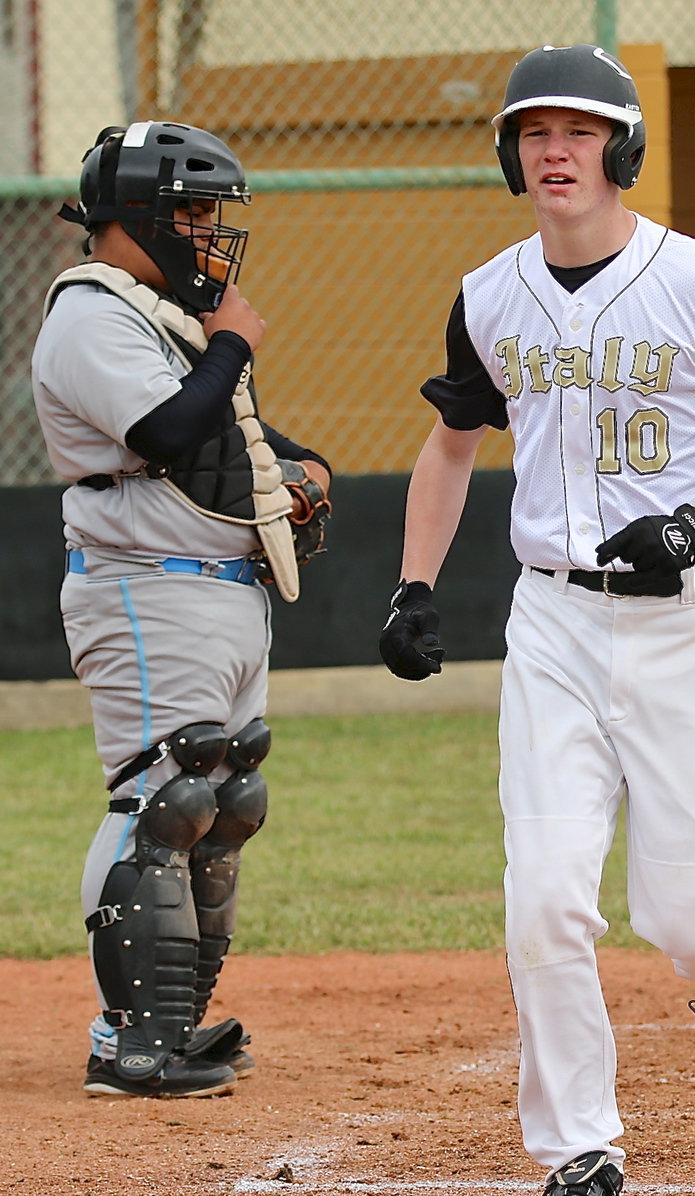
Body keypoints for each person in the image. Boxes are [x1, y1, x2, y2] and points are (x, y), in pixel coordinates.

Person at [378, 44, 695, 1196]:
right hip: (556, 626)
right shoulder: (488, 292)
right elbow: (451, 441)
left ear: (621, 148)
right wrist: (413, 585)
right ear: (509, 155)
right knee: (544, 897)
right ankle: (580, 1146)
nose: (555, 152)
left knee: (693, 911)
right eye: (534, 134)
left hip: (688, 627)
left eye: (578, 132)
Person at [31, 122, 332, 1098]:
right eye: (193, 212)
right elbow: (165, 428)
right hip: (145, 585)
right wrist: (236, 340)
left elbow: (220, 421)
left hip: (215, 588)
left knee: (224, 798)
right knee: (163, 798)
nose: (209, 232)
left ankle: (176, 1021)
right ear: (140, 217)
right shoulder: (88, 314)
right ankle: (131, 1038)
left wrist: (292, 462)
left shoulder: (146, 308)